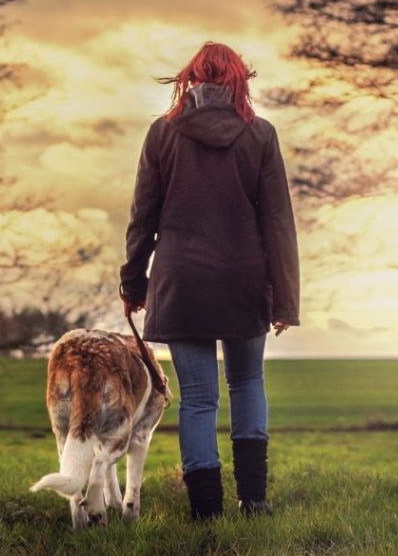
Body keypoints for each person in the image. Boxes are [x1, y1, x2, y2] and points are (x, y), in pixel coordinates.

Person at [118, 41, 300, 522]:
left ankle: (206, 513)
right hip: (244, 281)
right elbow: (278, 222)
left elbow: (143, 218)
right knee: (247, 382)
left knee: (198, 399)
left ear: (190, 80)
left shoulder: (162, 133)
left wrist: (133, 283)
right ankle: (254, 502)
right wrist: (285, 300)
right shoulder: (260, 135)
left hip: (182, 283)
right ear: (241, 81)